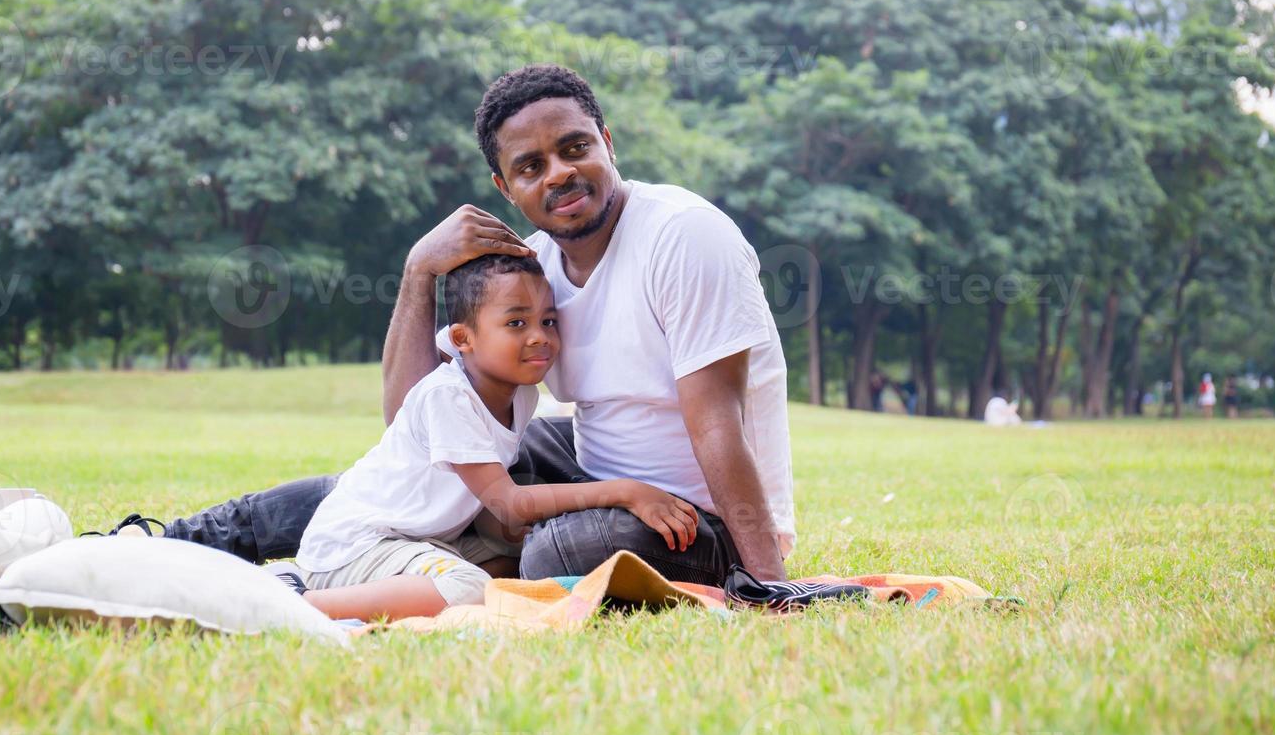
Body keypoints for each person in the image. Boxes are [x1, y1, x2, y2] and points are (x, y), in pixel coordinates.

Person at [110, 64, 794, 585]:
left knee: (557, 551)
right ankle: (163, 548)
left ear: (608, 143)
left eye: (575, 147)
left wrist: (764, 580)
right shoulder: (535, 267)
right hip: (596, 465)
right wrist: (418, 274)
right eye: (531, 166)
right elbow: (417, 419)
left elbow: (717, 423)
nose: (560, 173)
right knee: (407, 481)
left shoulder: (683, 236)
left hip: (697, 518)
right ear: (506, 187)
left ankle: (318, 585)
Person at [289, 253, 696, 621]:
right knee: (466, 588)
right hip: (355, 547)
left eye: (548, 321)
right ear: (463, 339)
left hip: (423, 539)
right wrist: (627, 491)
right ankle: (299, 605)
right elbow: (510, 503)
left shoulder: (520, 393)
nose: (539, 336)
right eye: (516, 323)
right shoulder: (448, 396)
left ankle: (406, 593)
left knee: (516, 557)